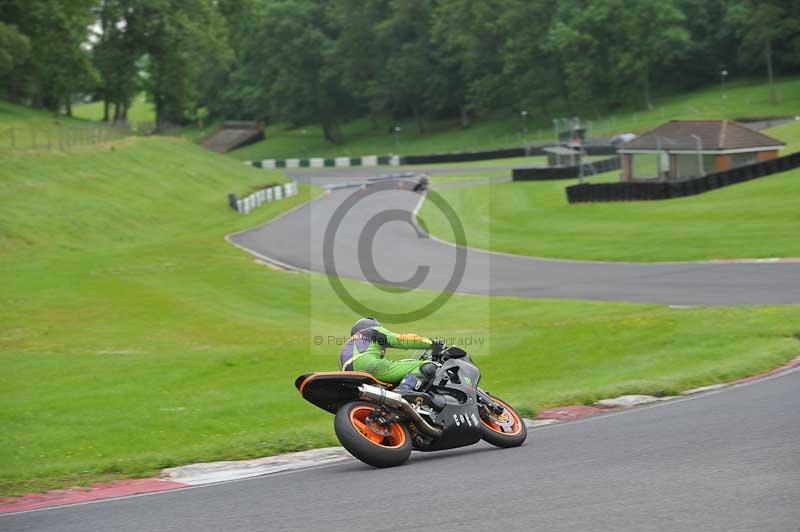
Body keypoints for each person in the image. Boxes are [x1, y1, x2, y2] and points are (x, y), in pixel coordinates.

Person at [339, 317, 442, 391]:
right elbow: (402, 341)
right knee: (425, 366)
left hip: (349, 375)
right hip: (368, 365)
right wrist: (432, 343)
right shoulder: (372, 331)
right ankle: (404, 390)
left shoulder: (347, 345)